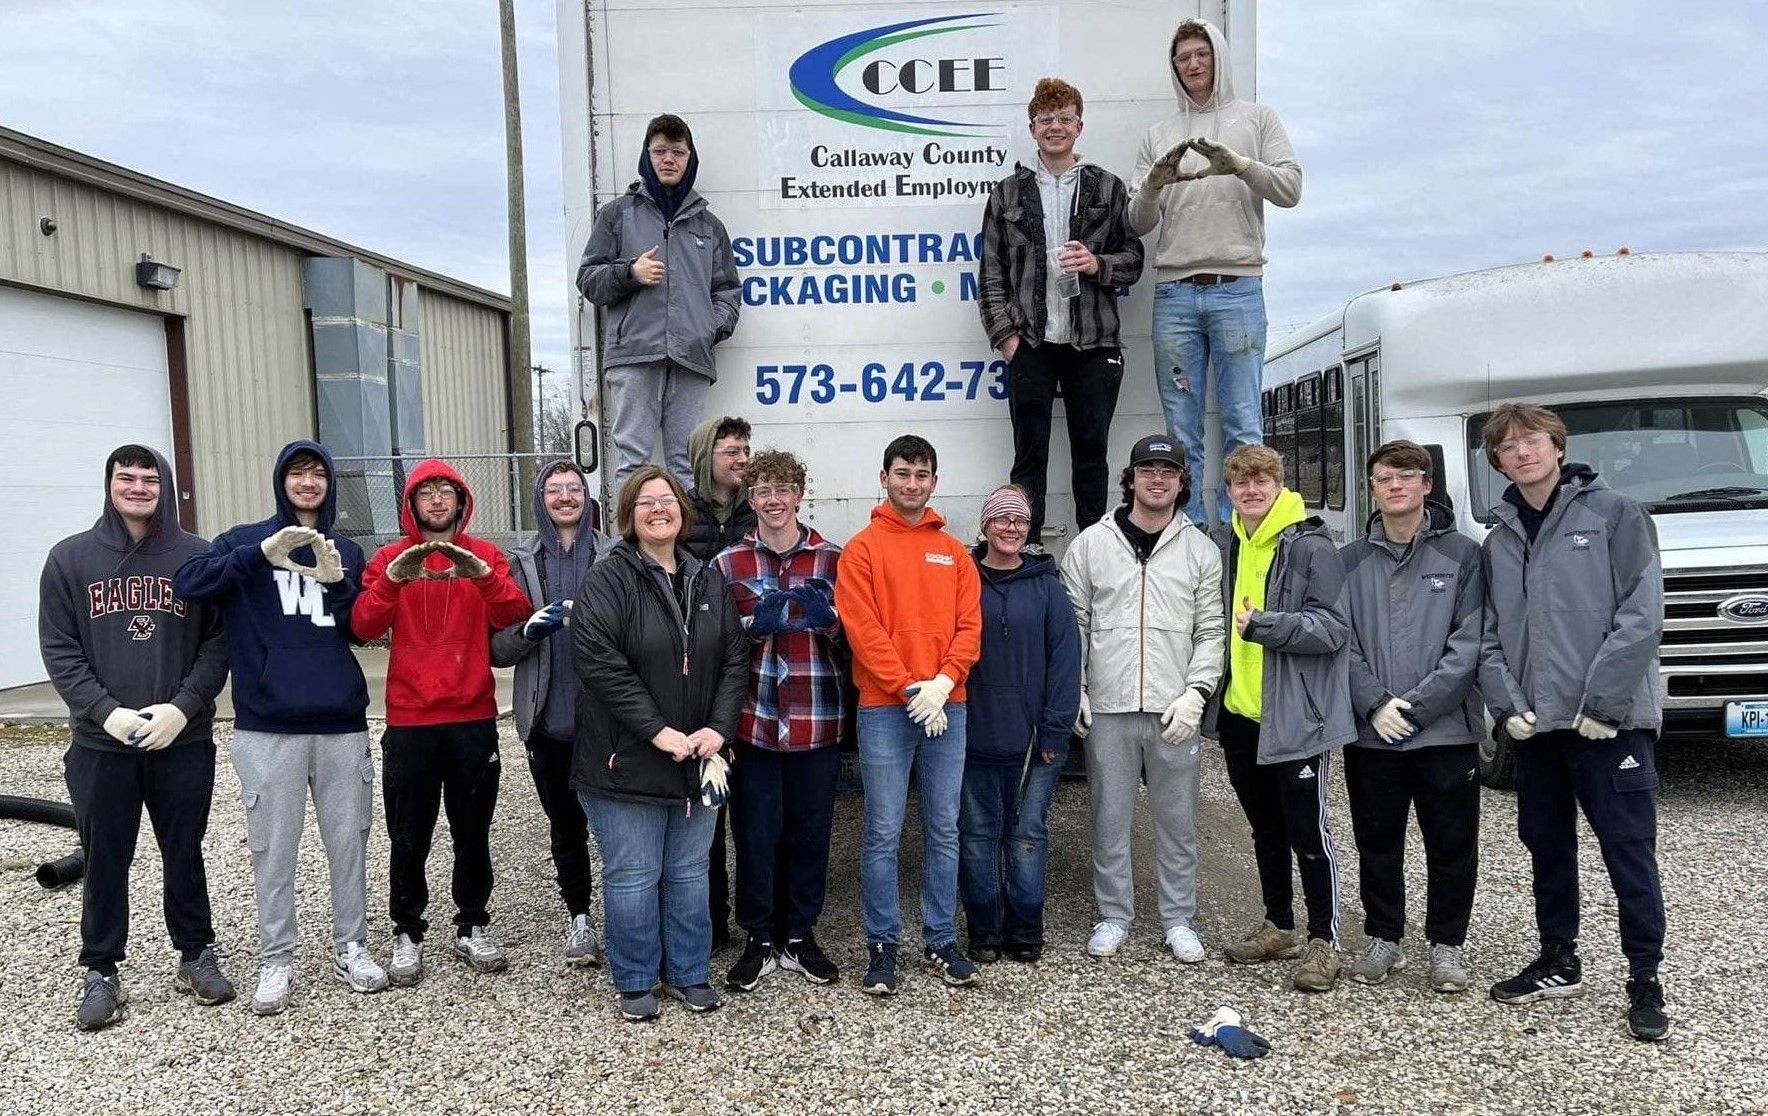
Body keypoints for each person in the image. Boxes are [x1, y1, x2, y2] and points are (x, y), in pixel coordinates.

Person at [1476, 404, 1669, 1041]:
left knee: (1628, 849)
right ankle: (1559, 958)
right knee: (1547, 844)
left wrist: (1605, 704)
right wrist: (1508, 708)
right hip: (1539, 728)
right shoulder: (1499, 538)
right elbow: (1489, 636)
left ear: (1558, 447)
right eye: (1508, 446)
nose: (1522, 452)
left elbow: (1641, 615)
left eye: (1533, 440)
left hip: (1608, 725)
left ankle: (1644, 978)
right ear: (1497, 461)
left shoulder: (1615, 514)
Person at [172, 441, 385, 1016]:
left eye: (318, 474)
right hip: (267, 724)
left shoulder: (346, 549)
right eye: (297, 473)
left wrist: (339, 583)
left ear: (330, 485)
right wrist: (260, 555)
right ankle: (277, 958)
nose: (308, 483)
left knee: (349, 842)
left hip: (341, 721)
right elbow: (189, 584)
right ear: (281, 481)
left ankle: (351, 947)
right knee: (273, 849)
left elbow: (360, 628)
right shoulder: (242, 541)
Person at [38, 444, 231, 1031]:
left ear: (165, 487)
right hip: (102, 745)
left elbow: (218, 643)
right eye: (127, 477)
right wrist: (107, 714)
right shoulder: (69, 559)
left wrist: (182, 708)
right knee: (104, 857)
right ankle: (100, 968)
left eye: (150, 478)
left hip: (182, 741)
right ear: (110, 484)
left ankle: (195, 953)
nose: (139, 487)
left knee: (184, 850)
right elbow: (60, 650)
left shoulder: (197, 556)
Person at [572, 466, 748, 1021]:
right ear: (629, 515)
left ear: (682, 510)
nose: (658, 509)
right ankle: (635, 978)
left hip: (698, 756)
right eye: (645, 501)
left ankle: (690, 972)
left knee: (690, 873)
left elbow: (734, 658)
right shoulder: (609, 578)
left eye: (666, 499)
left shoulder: (706, 578)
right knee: (633, 874)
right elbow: (601, 664)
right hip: (625, 759)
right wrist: (657, 730)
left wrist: (719, 728)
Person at [351, 460, 532, 985]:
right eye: (425, 492)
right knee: (409, 834)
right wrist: (392, 581)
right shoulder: (390, 557)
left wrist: (483, 578)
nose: (436, 500)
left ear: (460, 501)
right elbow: (363, 625)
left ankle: (472, 923)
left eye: (445, 491)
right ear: (411, 504)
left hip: (472, 715)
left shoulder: (486, 554)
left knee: (472, 831)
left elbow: (514, 614)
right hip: (410, 720)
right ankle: (407, 931)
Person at [1128, 17, 1302, 526]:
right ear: (1174, 66)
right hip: (1174, 292)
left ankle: (1245, 532)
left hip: (1238, 287)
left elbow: (1291, 190)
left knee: (1243, 423)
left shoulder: (1258, 119)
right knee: (1181, 429)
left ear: (1219, 56)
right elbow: (1138, 222)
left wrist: (1239, 165)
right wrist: (1154, 183)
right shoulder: (1159, 134)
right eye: (1183, 57)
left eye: (1201, 53)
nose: (1193, 64)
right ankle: (1189, 531)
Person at [1060, 438, 1223, 964]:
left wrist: (1197, 693)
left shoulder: (1200, 550)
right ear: (1129, 479)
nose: (1157, 479)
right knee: (1109, 818)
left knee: (1178, 822)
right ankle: (1114, 915)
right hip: (1108, 707)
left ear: (1182, 482)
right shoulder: (1091, 544)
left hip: (1174, 710)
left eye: (1168, 471)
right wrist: (1075, 687)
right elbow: (1074, 624)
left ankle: (1178, 919)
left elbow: (1211, 630)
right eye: (1147, 469)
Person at [835, 435, 983, 996]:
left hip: (948, 707)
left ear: (934, 482)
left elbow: (969, 627)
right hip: (884, 709)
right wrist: (907, 688)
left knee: (944, 828)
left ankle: (941, 939)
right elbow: (862, 629)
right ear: (885, 478)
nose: (912, 484)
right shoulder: (862, 550)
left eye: (922, 475)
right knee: (883, 830)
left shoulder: (955, 553)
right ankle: (883, 943)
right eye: (903, 473)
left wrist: (943, 684)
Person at [1336, 440, 1484, 994]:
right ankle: (1384, 938)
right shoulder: (1348, 560)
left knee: (1452, 844)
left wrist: (1416, 709)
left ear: (1427, 485)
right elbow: (1341, 642)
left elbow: (1470, 643)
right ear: (1372, 489)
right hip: (1373, 734)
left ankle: (1447, 944)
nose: (1395, 485)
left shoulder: (1464, 555)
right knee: (1377, 842)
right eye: (1383, 477)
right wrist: (1374, 703)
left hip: (1446, 733)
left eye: (1406, 475)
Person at [1204, 444, 1353, 992]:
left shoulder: (1311, 546)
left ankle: (1324, 939)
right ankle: (1279, 926)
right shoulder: (1225, 543)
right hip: (1240, 714)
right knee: (1265, 828)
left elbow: (1333, 628)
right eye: (1240, 483)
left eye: (1261, 481)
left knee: (1308, 831)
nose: (1251, 491)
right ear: (1229, 491)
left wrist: (1265, 625)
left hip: (1294, 717)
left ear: (1279, 485)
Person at [978, 77, 1144, 547]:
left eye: (1065, 118)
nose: (1056, 127)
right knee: (1028, 455)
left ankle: (1094, 549)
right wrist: (1006, 336)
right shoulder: (1007, 193)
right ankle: (1024, 549)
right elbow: (990, 272)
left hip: (1093, 341)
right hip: (1030, 341)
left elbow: (1134, 260)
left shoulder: (1107, 188)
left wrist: (1097, 264)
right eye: (1046, 119)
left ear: (1079, 126)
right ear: (1032, 128)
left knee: (1091, 454)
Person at [711, 450, 846, 990]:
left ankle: (800, 936)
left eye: (783, 490)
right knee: (755, 835)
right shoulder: (728, 564)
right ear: (751, 499)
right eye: (764, 490)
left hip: (817, 718)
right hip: (755, 723)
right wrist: (752, 631)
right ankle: (759, 938)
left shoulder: (833, 560)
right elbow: (715, 647)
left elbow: (858, 640)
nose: (774, 500)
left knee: (810, 835)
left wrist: (832, 625)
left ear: (799, 495)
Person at [576, 113, 741, 490]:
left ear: (690, 158)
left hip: (690, 358)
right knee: (633, 460)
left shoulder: (709, 226)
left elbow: (728, 292)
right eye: (660, 151)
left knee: (688, 463)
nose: (669, 159)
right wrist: (630, 273)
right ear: (646, 155)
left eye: (678, 152)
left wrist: (705, 329)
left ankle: (686, 533)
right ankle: (628, 532)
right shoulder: (616, 215)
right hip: (634, 354)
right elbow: (588, 279)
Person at [489, 460, 607, 968]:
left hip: (609, 722)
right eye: (553, 490)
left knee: (618, 826)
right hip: (548, 720)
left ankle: (631, 917)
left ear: (586, 496)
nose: (564, 497)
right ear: (540, 500)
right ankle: (579, 915)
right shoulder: (519, 564)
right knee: (566, 825)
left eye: (573, 488)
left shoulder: (614, 554)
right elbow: (497, 648)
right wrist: (528, 632)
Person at [959, 485, 1081, 964]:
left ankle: (1026, 928)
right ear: (986, 525)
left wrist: (1056, 729)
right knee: (976, 837)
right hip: (972, 734)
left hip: (1033, 741)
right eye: (1002, 519)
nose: (1011, 528)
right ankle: (984, 930)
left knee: (1027, 836)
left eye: (1020, 521)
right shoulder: (962, 578)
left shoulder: (1047, 586)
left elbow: (1066, 661)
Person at [682, 413, 756, 951]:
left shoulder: (759, 511)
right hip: (698, 679)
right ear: (705, 456)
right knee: (704, 809)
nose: (742, 460)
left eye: (745, 450)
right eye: (731, 450)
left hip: (753, 678)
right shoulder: (682, 513)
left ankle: (755, 924)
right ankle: (709, 920)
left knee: (751, 816)